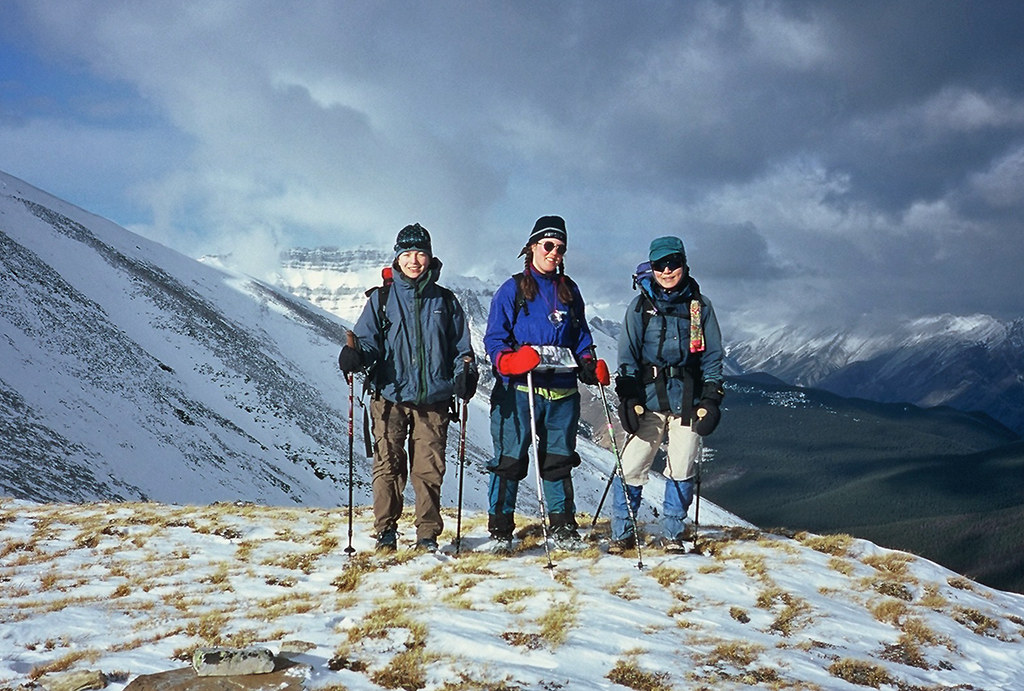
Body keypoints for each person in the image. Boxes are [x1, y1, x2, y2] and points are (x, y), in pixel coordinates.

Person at [338, 223, 477, 553]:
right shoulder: (382, 300)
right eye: (408, 254)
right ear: (397, 258)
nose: (414, 260)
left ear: (430, 258)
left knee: (427, 470)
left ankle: (427, 535)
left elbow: (462, 348)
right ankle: (386, 530)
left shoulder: (446, 301)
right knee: (388, 466)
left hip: (435, 398)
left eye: (421, 254)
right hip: (390, 396)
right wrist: (355, 355)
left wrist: (465, 372)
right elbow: (369, 341)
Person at [483, 215, 607, 554]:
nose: (555, 253)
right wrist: (507, 361)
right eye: (548, 245)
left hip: (563, 391)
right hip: (520, 389)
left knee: (558, 459)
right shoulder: (512, 290)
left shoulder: (569, 290)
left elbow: (581, 334)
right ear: (533, 247)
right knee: (509, 459)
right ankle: (500, 528)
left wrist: (588, 361)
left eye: (561, 247)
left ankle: (563, 526)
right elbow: (494, 338)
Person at [611, 235, 724, 552]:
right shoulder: (640, 307)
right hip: (647, 401)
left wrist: (711, 398)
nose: (667, 270)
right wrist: (629, 397)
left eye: (673, 263)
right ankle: (622, 533)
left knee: (682, 465)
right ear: (652, 267)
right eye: (660, 264)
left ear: (684, 264)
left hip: (688, 401)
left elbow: (712, 357)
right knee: (632, 466)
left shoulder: (699, 308)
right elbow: (627, 357)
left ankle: (672, 532)